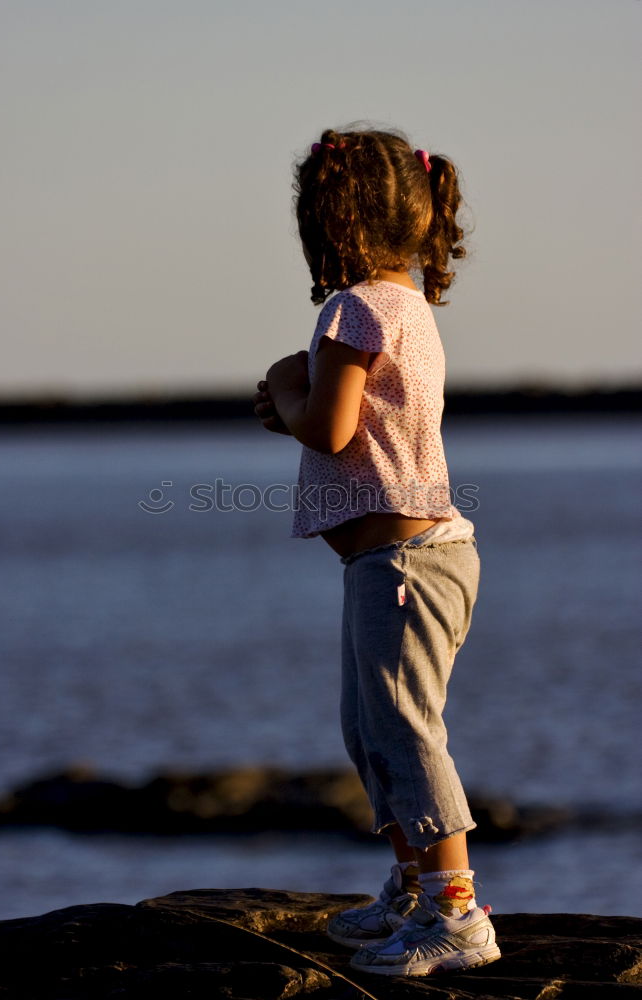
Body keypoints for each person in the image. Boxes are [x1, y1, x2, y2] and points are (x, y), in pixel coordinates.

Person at [252, 126, 501, 978]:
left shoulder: (356, 309)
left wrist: (289, 387)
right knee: (371, 731)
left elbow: (329, 425)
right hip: (404, 564)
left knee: (402, 729)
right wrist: (301, 392)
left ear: (338, 224)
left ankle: (457, 914)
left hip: (406, 567)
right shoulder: (407, 309)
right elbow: (355, 426)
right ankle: (411, 887)